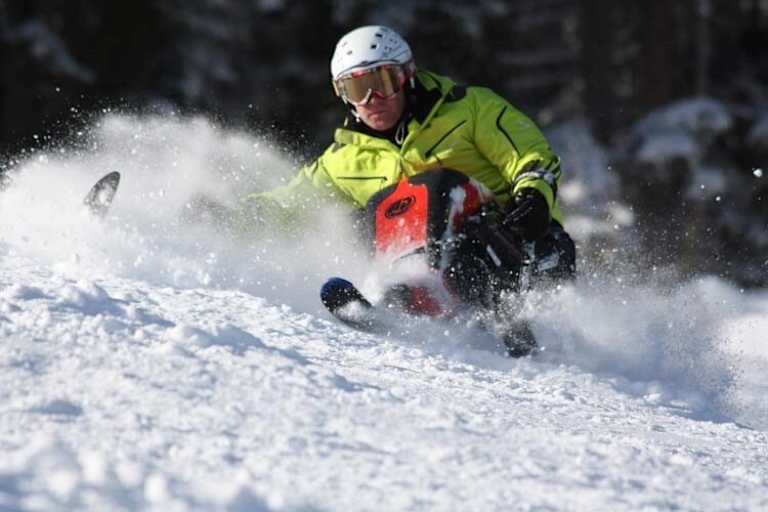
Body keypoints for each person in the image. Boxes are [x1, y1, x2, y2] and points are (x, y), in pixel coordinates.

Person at [239, 25, 576, 354]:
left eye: (382, 83)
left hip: (521, 247)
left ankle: (498, 312)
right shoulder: (344, 161)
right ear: (343, 96)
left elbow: (530, 154)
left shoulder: (469, 109)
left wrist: (533, 196)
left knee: (434, 184)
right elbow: (293, 204)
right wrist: (235, 214)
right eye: (357, 90)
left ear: (406, 76)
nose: (372, 100)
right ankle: (404, 300)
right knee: (386, 208)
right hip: (437, 273)